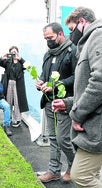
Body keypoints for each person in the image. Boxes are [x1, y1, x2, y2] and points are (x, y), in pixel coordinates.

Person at [52, 7, 102, 188]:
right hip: (93, 121)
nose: (71, 35)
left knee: (82, 176)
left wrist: (76, 114)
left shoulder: (100, 36)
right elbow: (86, 86)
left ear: (82, 22)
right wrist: (68, 103)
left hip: (97, 125)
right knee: (92, 174)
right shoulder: (91, 40)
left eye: (71, 30)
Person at [36, 22, 77, 183]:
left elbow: (76, 77)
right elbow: (44, 74)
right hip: (48, 101)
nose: (48, 41)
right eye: (45, 38)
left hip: (65, 101)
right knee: (53, 138)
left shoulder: (72, 51)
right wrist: (41, 82)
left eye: (51, 37)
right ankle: (54, 170)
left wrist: (56, 84)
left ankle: (74, 166)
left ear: (60, 34)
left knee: (63, 139)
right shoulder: (48, 54)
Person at [0, 46, 29, 127]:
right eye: (12, 52)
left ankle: (17, 119)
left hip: (18, 84)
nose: (14, 53)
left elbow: (27, 66)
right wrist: (2, 57)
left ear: (18, 52)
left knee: (17, 102)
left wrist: (20, 59)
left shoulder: (21, 62)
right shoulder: (8, 61)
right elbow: (0, 63)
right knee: (9, 101)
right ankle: (9, 117)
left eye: (15, 51)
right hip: (9, 83)